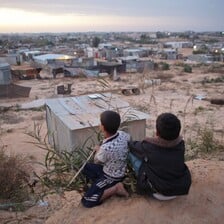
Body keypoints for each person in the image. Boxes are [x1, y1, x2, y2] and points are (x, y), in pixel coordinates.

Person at [128, 112, 191, 200]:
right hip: (178, 189)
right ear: (178, 131)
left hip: (157, 192)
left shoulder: (148, 146)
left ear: (157, 132)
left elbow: (131, 146)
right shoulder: (181, 144)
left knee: (131, 153)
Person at [81, 110, 130, 208]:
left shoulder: (105, 148)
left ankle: (116, 188)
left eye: (100, 123)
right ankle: (100, 185)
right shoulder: (123, 134)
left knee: (87, 200)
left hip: (112, 176)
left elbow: (97, 160)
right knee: (84, 167)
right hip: (119, 169)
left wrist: (98, 150)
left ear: (102, 127)